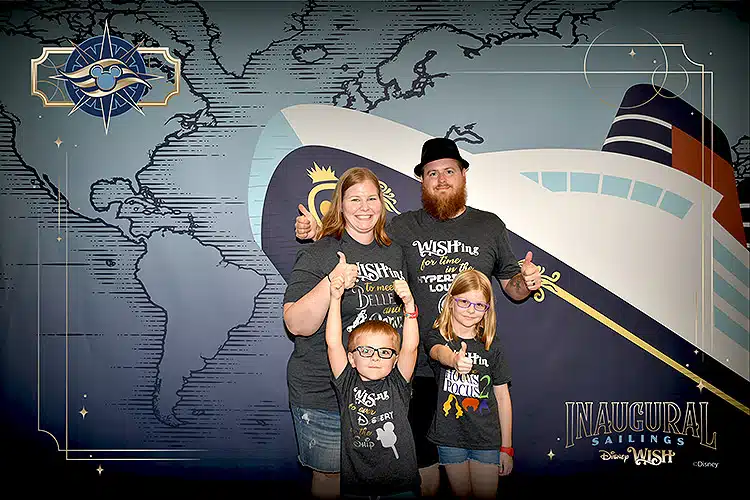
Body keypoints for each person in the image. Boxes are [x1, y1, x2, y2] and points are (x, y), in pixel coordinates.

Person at [295, 137, 542, 496]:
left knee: (475, 470)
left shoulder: (489, 226)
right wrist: (317, 232)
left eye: (449, 171)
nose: (441, 179)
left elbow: (512, 288)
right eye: (432, 173)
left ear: (463, 175)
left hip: (474, 370)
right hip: (418, 371)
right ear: (422, 181)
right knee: (421, 465)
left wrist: (526, 281)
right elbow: (359, 234)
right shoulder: (401, 228)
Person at [283, 167, 409, 499]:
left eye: (371, 198)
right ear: (340, 205)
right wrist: (331, 281)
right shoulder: (321, 252)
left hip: (377, 396)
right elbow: (295, 324)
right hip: (325, 393)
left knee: (375, 483)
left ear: (382, 204)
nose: (364, 207)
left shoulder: (394, 251)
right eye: (354, 199)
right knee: (330, 479)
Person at [326, 272, 421, 498]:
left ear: (395, 359)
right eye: (366, 351)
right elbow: (332, 343)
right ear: (351, 358)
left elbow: (410, 348)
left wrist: (409, 306)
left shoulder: (398, 383)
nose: (375, 358)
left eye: (384, 352)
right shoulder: (347, 382)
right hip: (356, 486)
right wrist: (335, 298)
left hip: (400, 486)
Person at [424, 269, 513, 499]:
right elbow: (437, 352)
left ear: (487, 310)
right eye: (464, 302)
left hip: (487, 440)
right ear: (450, 301)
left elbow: (503, 397)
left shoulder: (491, 346)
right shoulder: (438, 337)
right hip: (450, 437)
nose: (471, 310)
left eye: (478, 305)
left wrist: (506, 447)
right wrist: (454, 360)